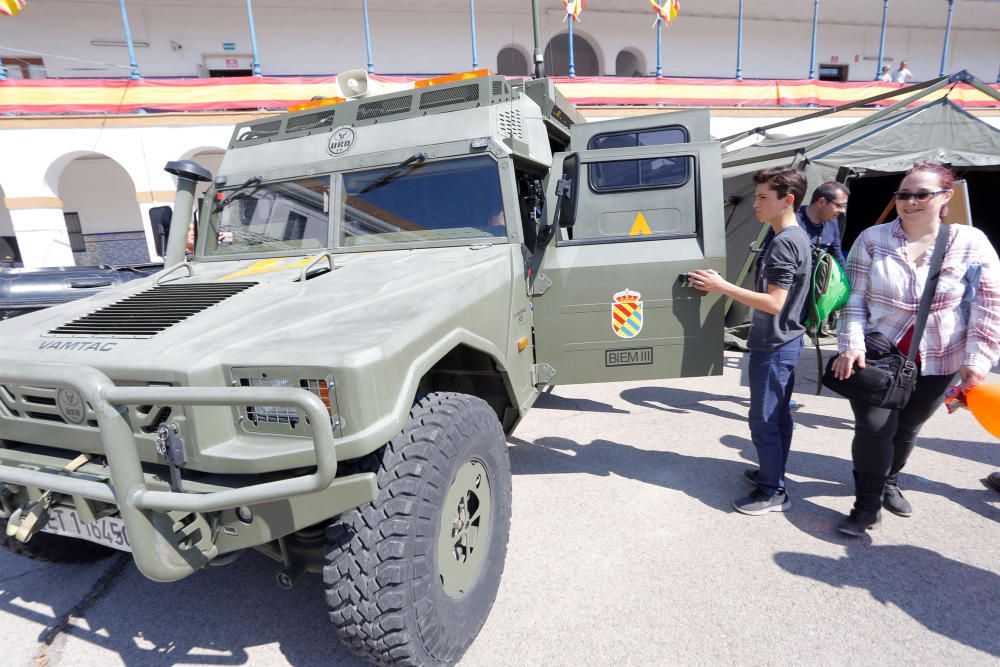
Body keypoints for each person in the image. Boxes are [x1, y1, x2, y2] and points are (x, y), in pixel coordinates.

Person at [830, 162, 1000, 537]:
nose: (909, 201)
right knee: (874, 428)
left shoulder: (971, 242)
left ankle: (890, 479)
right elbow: (855, 298)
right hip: (879, 353)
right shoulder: (873, 239)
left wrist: (978, 359)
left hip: (941, 357)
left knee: (907, 428)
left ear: (945, 197)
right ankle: (866, 505)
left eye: (921, 194)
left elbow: (989, 304)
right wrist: (851, 344)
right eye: (903, 194)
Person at [689, 167, 812, 516]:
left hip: (774, 345)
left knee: (764, 420)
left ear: (787, 200)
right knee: (778, 418)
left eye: (762, 198)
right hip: (785, 342)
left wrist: (721, 286)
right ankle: (772, 474)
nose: (755, 203)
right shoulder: (794, 235)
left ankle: (773, 491)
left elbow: (774, 303)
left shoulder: (784, 243)